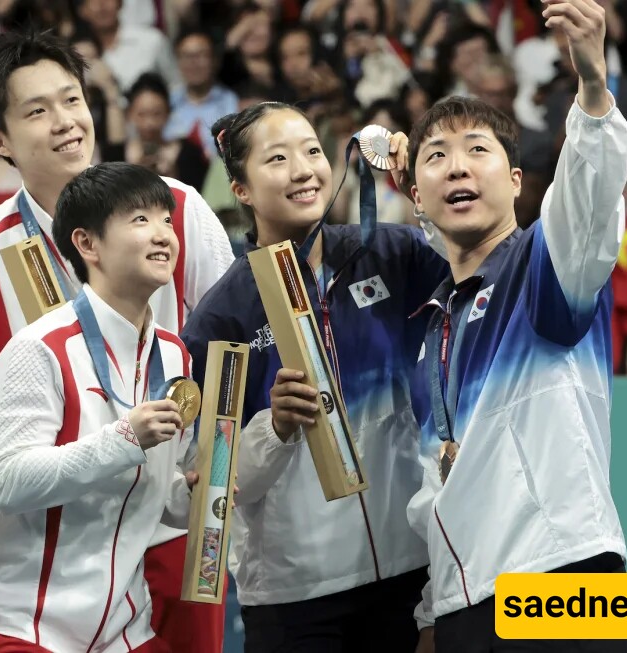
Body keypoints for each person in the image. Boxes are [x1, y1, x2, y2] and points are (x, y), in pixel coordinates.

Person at [0, 30, 234, 652]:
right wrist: (53, 399)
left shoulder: (176, 210)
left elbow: (226, 349)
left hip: (170, 523)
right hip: (57, 534)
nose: (67, 122)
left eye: (72, 99)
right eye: (37, 111)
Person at [403, 1, 627, 650]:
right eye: (437, 156)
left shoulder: (546, 266)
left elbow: (587, 199)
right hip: (470, 598)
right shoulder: (432, 331)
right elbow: (436, 487)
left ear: (514, 178)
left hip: (567, 578)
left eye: (477, 150)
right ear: (416, 196)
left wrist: (592, 89)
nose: (457, 166)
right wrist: (432, 610)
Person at [180, 102, 449, 651]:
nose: (303, 170)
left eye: (312, 151)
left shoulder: (392, 254)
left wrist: (423, 192)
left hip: (410, 570)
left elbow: (478, 275)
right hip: (294, 596)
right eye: (276, 159)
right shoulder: (223, 317)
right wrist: (272, 428)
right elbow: (211, 483)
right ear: (241, 188)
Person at [0, 162, 196, 652]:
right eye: (139, 220)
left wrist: (194, 494)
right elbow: (9, 484)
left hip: (122, 626)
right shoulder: (37, 348)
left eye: (167, 220)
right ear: (87, 244)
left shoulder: (174, 354)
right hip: (24, 623)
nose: (163, 235)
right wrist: (125, 438)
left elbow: (159, 495)